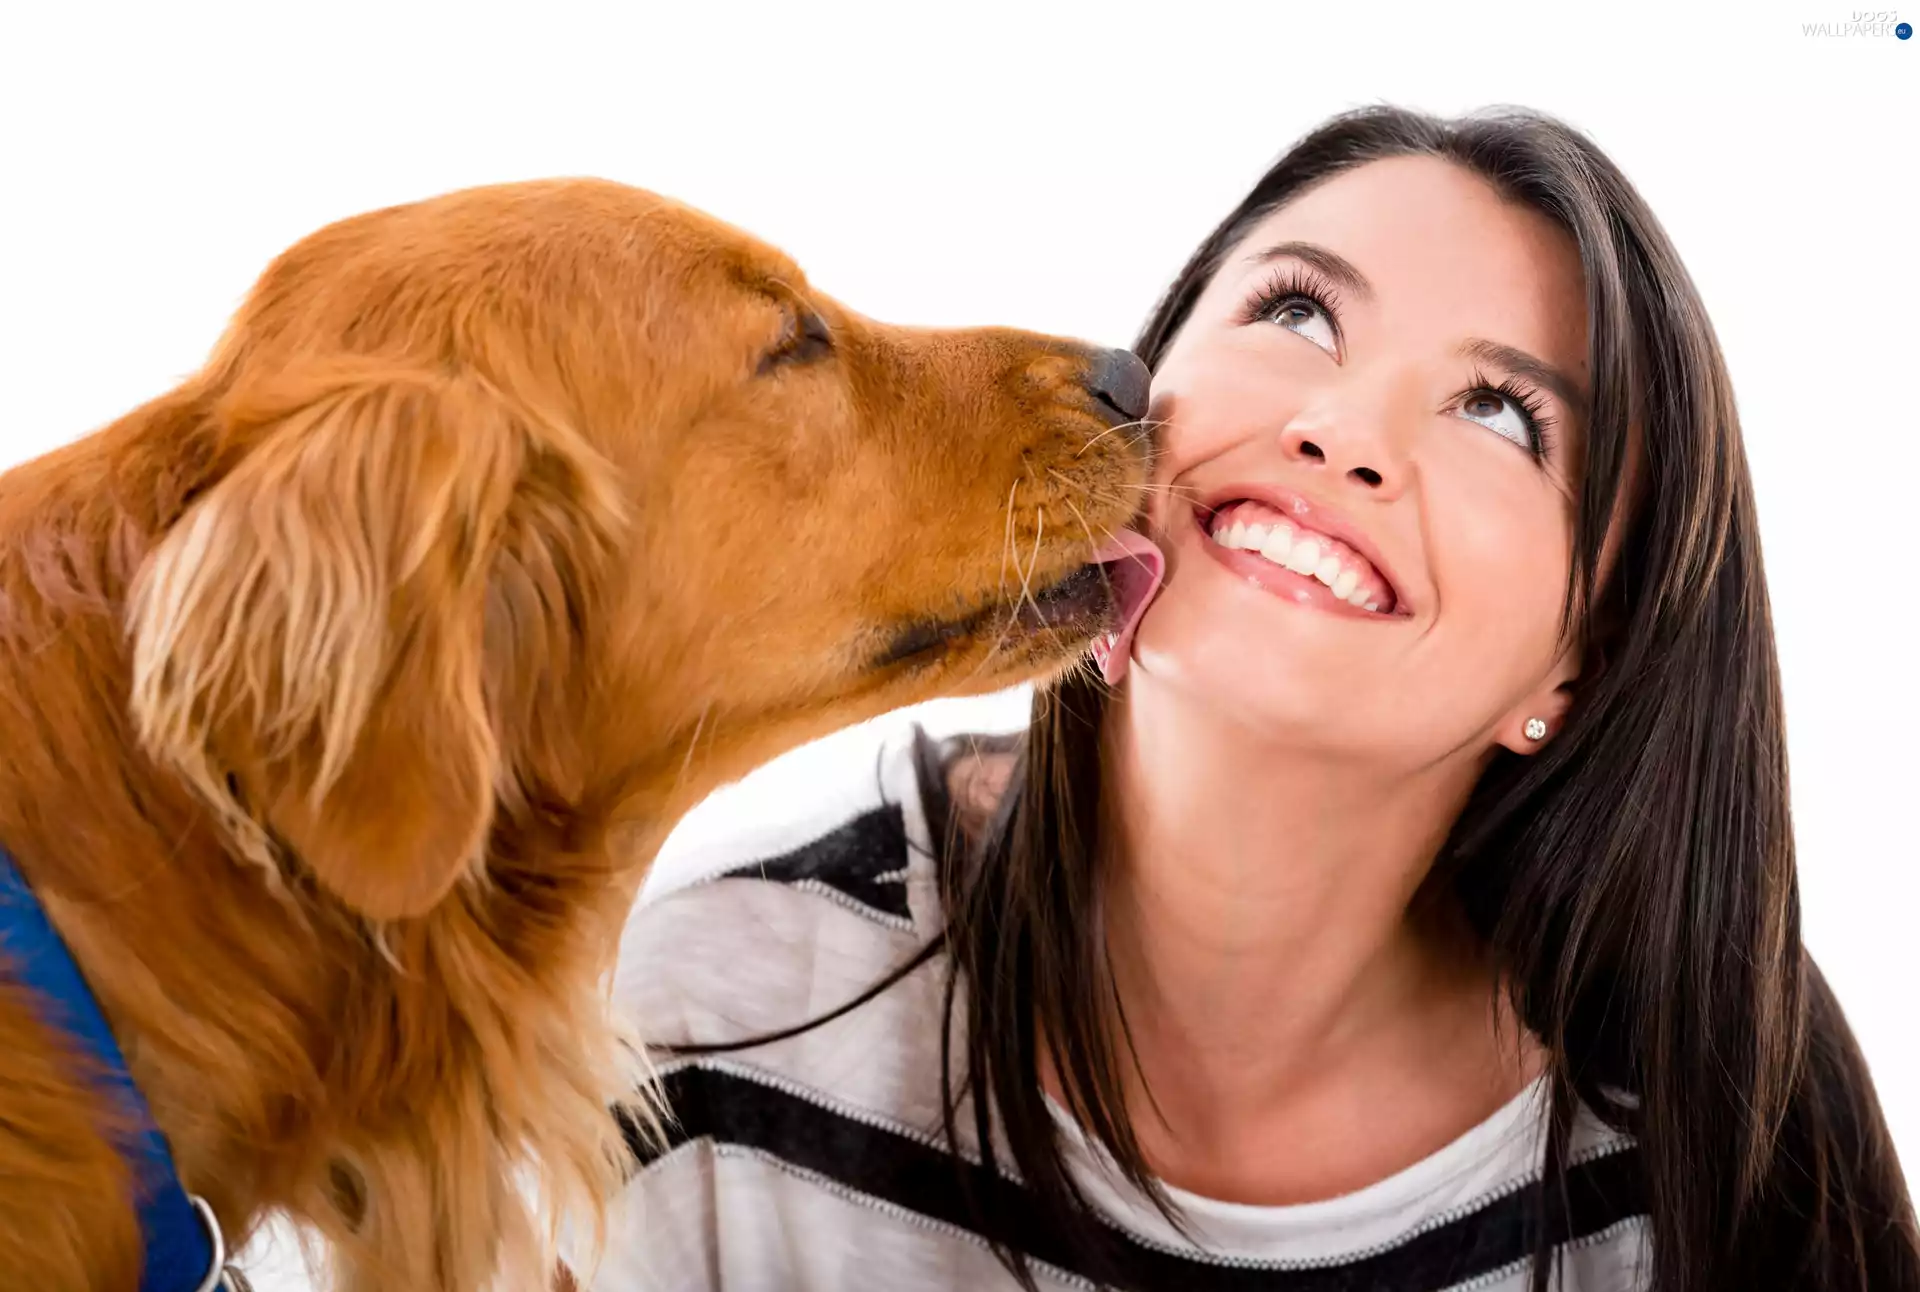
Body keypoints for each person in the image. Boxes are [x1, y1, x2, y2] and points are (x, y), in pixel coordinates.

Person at [593, 106, 1920, 1291]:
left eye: (1505, 414)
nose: (1342, 428)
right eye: (1298, 315)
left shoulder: (1709, 1137)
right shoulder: (709, 1028)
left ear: (1583, 662)